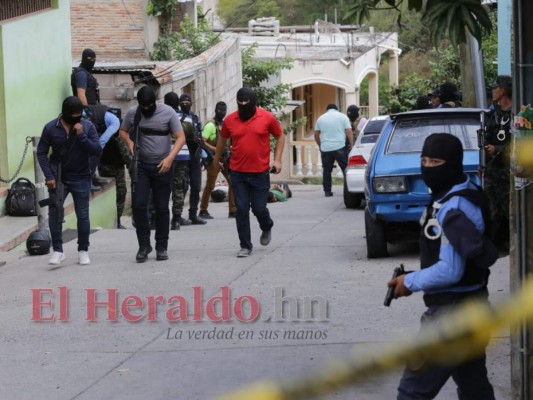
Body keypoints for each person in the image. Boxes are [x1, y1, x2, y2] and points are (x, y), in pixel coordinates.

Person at [388, 133, 498, 400]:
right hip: (473, 307)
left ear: (452, 164)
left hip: (451, 315)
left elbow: (451, 270)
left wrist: (409, 283)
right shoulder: (463, 191)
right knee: (474, 389)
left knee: (412, 391)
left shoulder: (454, 208)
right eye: (423, 160)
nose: (427, 167)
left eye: (435, 161)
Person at [213, 87, 285, 257]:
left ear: (253, 101)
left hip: (260, 172)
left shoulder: (267, 117)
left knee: (259, 208)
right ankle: (245, 245)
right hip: (238, 172)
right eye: (240, 101)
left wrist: (278, 159)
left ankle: (266, 225)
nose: (243, 104)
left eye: (247, 101)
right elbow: (222, 139)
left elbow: (280, 136)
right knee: (241, 209)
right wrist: (216, 159)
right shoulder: (230, 120)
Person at [119, 86, 185, 263]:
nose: (146, 109)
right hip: (141, 166)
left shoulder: (168, 112)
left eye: (149, 106)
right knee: (139, 205)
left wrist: (170, 158)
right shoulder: (134, 112)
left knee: (162, 207)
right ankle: (144, 245)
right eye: (143, 106)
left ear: (155, 101)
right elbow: (123, 131)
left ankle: (161, 247)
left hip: (163, 166)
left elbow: (180, 137)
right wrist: (130, 144)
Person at [36, 96, 102, 265]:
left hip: (81, 177)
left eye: (79, 114)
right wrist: (49, 175)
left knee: (83, 215)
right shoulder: (51, 128)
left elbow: (96, 150)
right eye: (74, 115)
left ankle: (83, 250)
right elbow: (41, 152)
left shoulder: (87, 126)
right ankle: (58, 250)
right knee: (54, 214)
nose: (77, 118)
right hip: (58, 178)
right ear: (65, 113)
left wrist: (81, 137)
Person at [166, 93, 207, 228]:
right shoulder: (168, 117)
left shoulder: (193, 118)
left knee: (194, 186)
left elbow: (198, 139)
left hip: (192, 156)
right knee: (180, 186)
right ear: (178, 102)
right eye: (182, 102)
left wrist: (205, 157)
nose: (185, 104)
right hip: (181, 156)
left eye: (187, 101)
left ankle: (192, 214)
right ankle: (176, 217)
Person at [483, 75, 512, 252]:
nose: (492, 91)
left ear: (502, 90)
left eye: (495, 88)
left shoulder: (518, 114)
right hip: (492, 171)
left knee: (512, 211)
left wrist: (498, 149)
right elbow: (486, 138)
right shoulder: (492, 115)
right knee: (491, 212)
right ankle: (491, 247)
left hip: (510, 171)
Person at [199, 101, 237, 219]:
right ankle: (203, 210)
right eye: (220, 110)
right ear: (216, 110)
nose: (222, 113)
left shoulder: (225, 124)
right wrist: (216, 149)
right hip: (213, 158)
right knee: (210, 185)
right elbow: (202, 141)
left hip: (225, 158)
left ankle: (233, 210)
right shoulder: (210, 125)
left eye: (224, 110)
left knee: (233, 182)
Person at [97, 110, 131, 229]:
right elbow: (126, 154)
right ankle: (116, 222)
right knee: (120, 194)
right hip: (114, 169)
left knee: (113, 195)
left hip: (104, 167)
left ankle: (115, 221)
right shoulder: (115, 134)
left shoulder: (105, 131)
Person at [314, 104, 354, 197]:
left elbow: (316, 134)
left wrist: (320, 145)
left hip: (326, 148)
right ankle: (349, 190)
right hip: (340, 146)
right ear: (336, 109)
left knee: (327, 170)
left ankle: (327, 191)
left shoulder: (321, 118)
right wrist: (352, 145)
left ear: (327, 110)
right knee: (345, 169)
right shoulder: (343, 117)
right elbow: (349, 131)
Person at [83, 104, 121, 191]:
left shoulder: (108, 118)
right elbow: (103, 140)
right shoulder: (115, 123)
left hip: (86, 118)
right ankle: (88, 181)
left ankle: (92, 177)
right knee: (96, 152)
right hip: (82, 120)